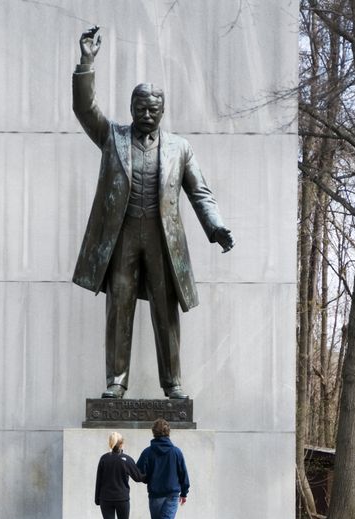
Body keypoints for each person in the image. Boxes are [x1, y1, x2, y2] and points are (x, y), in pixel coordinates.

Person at [72, 27, 235, 401]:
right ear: (131, 109)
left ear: (163, 110)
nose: (147, 114)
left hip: (164, 240)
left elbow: (200, 192)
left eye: (154, 108)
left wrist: (216, 226)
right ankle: (117, 380)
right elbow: (84, 109)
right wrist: (87, 62)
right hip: (122, 235)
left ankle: (173, 383)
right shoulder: (112, 136)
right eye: (141, 108)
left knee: (166, 310)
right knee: (119, 307)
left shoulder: (180, 148)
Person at [136, 418, 189, 519]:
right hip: (172, 494)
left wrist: (148, 480)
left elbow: (138, 472)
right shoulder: (176, 452)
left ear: (153, 432)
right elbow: (183, 473)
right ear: (168, 432)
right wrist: (184, 492)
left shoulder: (148, 452)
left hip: (155, 494)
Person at [95, 431, 145, 519]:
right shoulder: (126, 459)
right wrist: (151, 474)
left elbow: (98, 480)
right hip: (122, 498)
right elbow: (139, 477)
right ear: (122, 443)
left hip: (105, 498)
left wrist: (97, 499)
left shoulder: (104, 459)